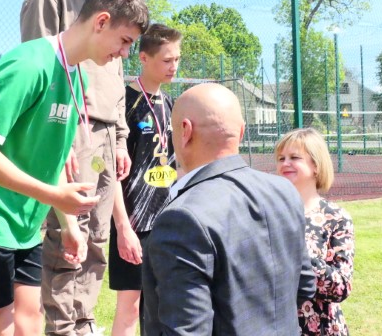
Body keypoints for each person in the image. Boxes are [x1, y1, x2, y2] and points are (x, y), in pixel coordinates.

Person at [0, 0, 149, 336]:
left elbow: (54, 159)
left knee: (31, 322)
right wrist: (53, 196)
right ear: (101, 22)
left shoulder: (75, 75)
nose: (125, 53)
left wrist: (68, 226)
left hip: (24, 223)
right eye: (125, 41)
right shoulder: (28, 65)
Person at [19, 0, 133, 336]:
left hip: (105, 133)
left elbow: (116, 74)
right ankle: (63, 327)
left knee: (98, 235)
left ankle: (84, 321)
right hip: (70, 127)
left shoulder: (109, 1)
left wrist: (120, 138)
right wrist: (60, 141)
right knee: (66, 233)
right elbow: (41, 72)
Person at [142, 84, 316, 335]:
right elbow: (305, 286)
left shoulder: (182, 217)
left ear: (185, 131)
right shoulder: (284, 190)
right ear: (242, 132)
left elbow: (186, 329)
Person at [109, 24, 182, 336]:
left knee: (162, 306)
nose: (173, 66)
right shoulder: (124, 103)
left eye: (177, 59)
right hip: (133, 225)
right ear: (143, 58)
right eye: (166, 60)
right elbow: (112, 171)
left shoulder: (172, 105)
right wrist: (123, 227)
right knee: (130, 307)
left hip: (167, 222)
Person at [275, 128, 355, 336]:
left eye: (294, 157)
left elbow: (341, 287)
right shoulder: (267, 212)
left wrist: (298, 252)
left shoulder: (336, 218)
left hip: (320, 327)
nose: (285, 163)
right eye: (281, 158)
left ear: (316, 166)